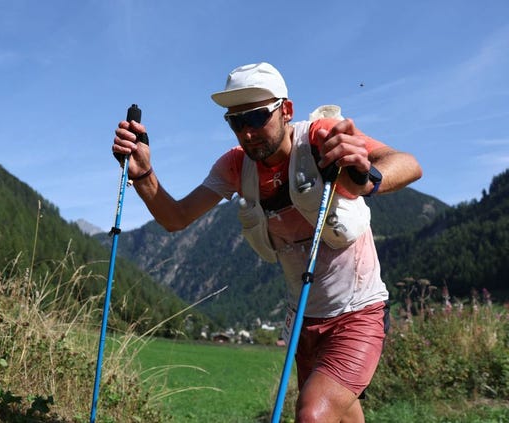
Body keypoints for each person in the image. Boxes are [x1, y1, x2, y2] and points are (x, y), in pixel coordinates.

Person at [112, 62, 422, 423]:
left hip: (358, 313)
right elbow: (176, 218)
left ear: (285, 110)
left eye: (257, 117)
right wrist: (144, 174)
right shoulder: (234, 167)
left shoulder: (319, 138)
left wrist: (364, 178)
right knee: (339, 413)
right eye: (236, 122)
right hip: (303, 321)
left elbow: (409, 164)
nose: (246, 132)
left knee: (312, 413)